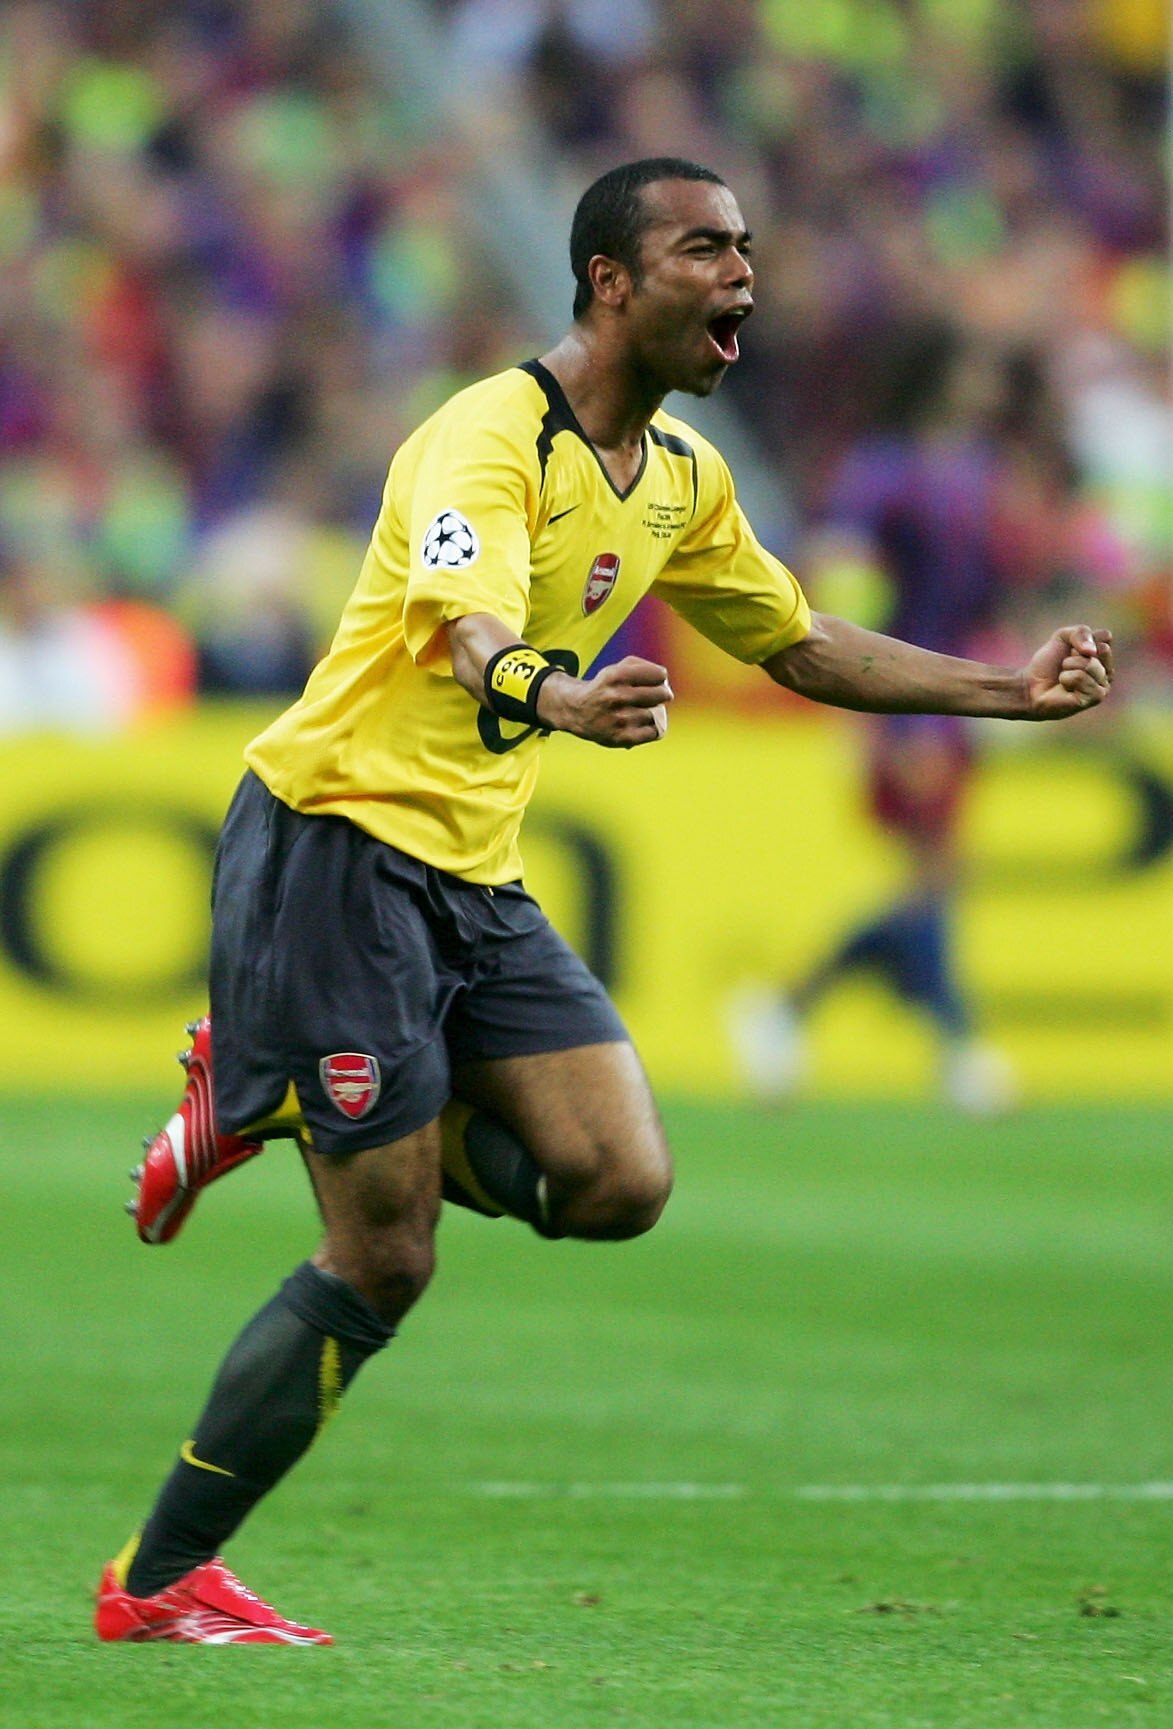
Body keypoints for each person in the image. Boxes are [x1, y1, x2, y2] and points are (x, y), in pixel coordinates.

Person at [96, 157, 1113, 1645]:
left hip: (469, 870)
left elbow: (796, 641)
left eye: (748, 250)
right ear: (609, 283)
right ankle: (160, 1576)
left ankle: (261, 1086)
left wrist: (1004, 694)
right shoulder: (485, 438)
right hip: (334, 848)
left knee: (619, 1181)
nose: (744, 277)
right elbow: (469, 635)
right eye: (706, 249)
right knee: (383, 1254)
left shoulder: (686, 480)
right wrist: (552, 692)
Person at [729, 331, 1054, 1114]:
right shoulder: (883, 471)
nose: (985, 382)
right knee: (932, 873)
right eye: (972, 366)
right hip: (902, 695)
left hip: (962, 694)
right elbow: (841, 569)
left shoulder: (976, 471)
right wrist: (857, 692)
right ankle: (957, 1046)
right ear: (937, 374)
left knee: (933, 879)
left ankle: (787, 1009)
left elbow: (993, 588)